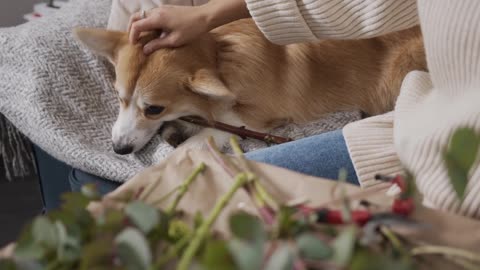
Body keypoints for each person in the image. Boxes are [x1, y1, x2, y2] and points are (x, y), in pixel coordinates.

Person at [71, 0, 480, 218]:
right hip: (420, 128)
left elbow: (254, 118)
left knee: (186, 198)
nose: (125, 127)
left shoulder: (240, 85)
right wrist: (209, 14)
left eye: (150, 110)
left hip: (431, 138)